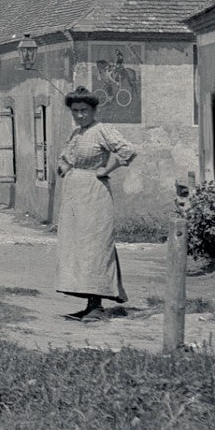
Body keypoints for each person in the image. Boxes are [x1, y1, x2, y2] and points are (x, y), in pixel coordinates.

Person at [54, 86, 137, 321]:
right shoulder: (76, 134)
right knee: (77, 248)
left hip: (94, 194)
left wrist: (107, 169)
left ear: (93, 110)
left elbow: (128, 151)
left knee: (95, 247)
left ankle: (97, 306)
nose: (79, 115)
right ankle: (89, 304)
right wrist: (64, 168)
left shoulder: (102, 131)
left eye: (84, 110)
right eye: (75, 111)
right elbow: (65, 158)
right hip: (74, 196)